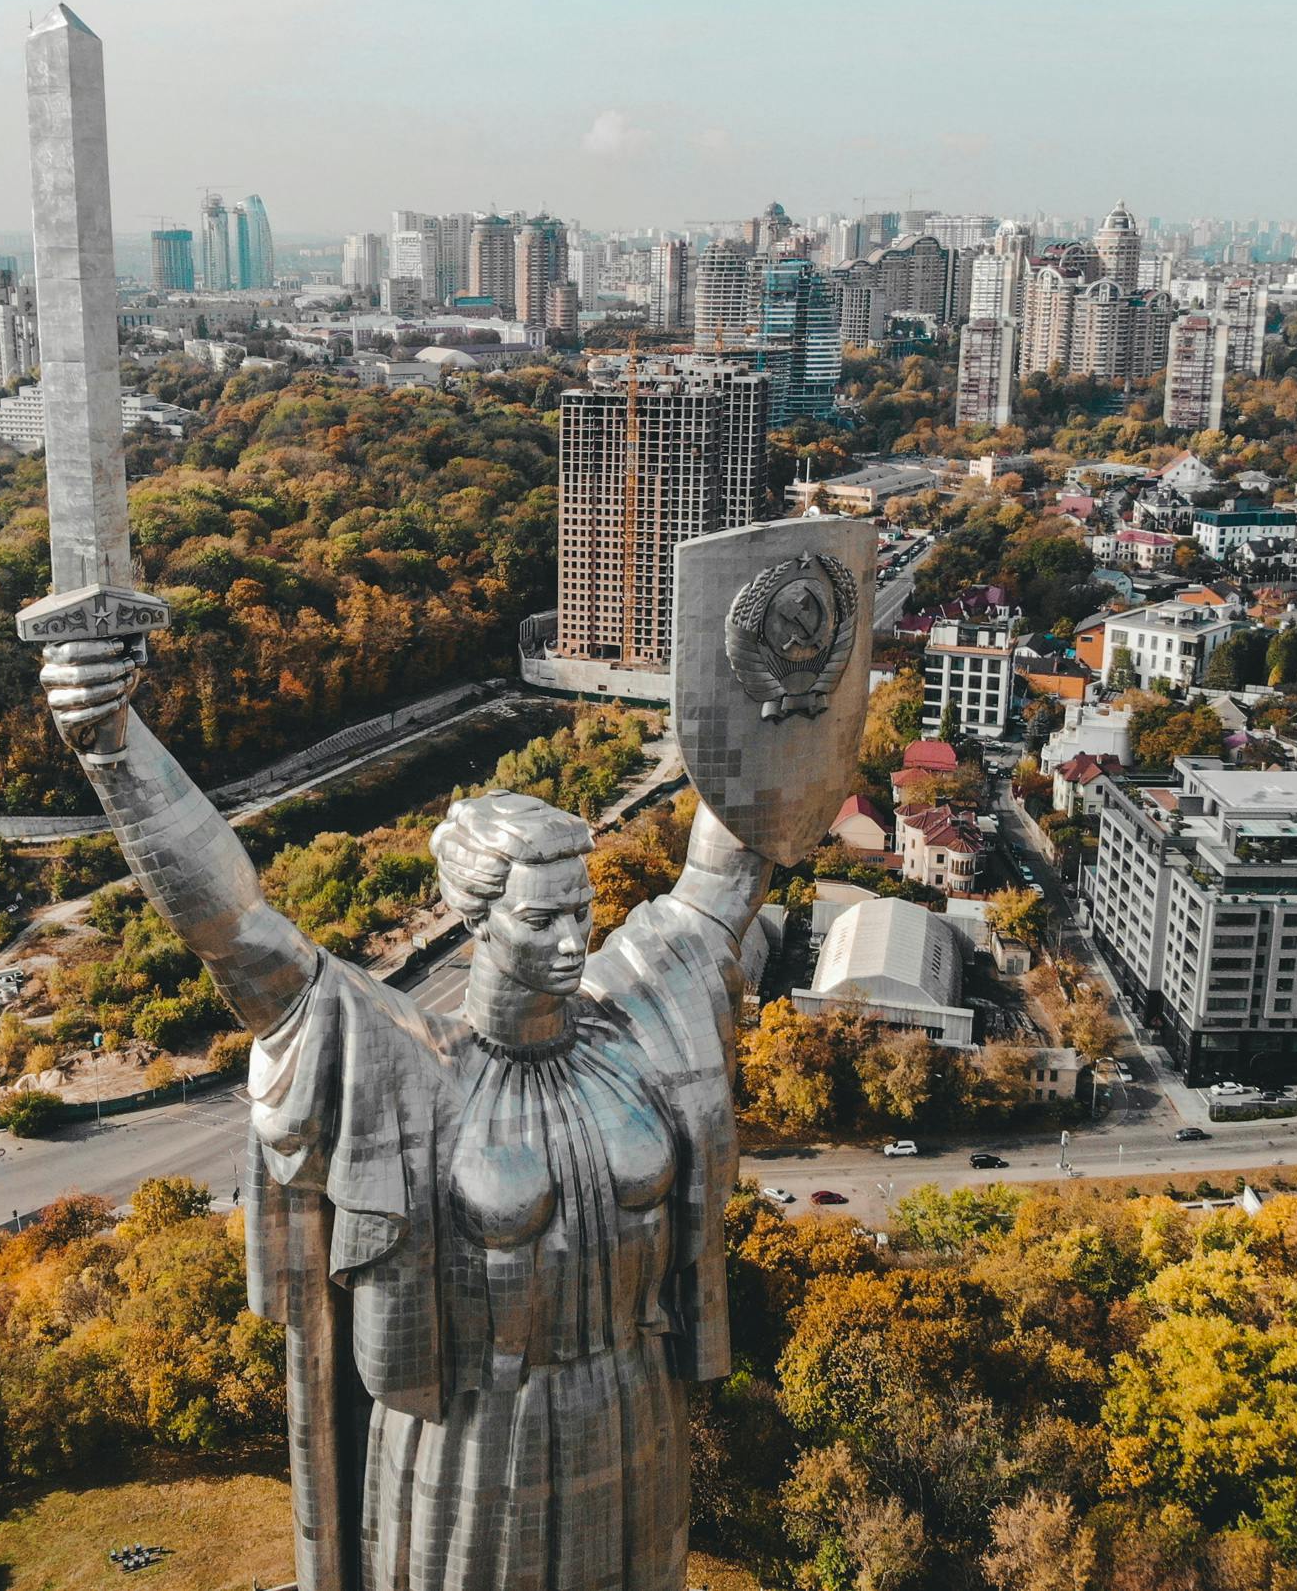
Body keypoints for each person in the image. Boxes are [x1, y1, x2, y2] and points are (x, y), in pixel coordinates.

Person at [41, 637, 774, 1591]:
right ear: (473, 919)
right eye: (539, 918)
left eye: (581, 911)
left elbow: (730, 867)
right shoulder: (404, 1068)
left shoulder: (638, 1021)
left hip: (632, 1415)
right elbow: (235, 931)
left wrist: (771, 679)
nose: (571, 939)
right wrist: (109, 741)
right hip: (465, 1444)